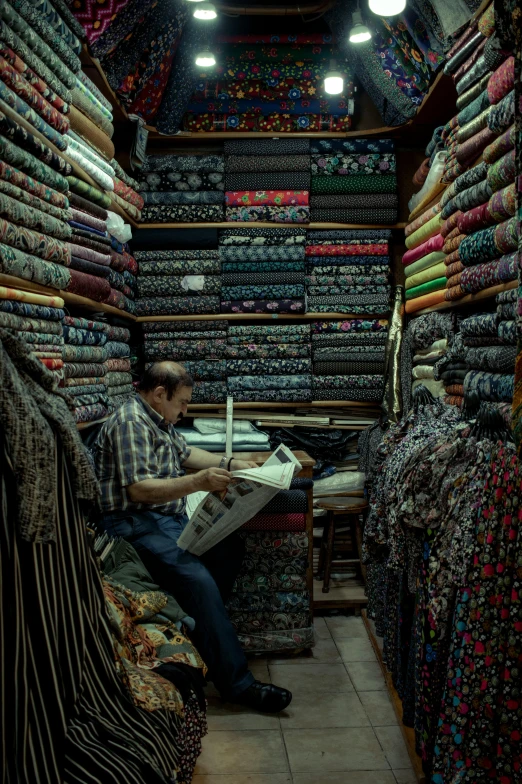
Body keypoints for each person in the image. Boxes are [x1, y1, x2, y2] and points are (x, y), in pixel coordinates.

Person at [94, 360, 292, 713]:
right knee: (196, 579)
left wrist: (231, 464)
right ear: (159, 394)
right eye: (182, 402)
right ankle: (237, 684)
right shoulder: (129, 423)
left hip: (161, 518)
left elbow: (186, 454)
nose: (185, 410)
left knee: (227, 550)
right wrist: (198, 483)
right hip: (132, 523)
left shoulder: (158, 420)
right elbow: (139, 490)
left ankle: (204, 640)